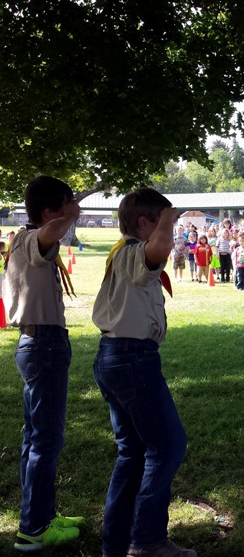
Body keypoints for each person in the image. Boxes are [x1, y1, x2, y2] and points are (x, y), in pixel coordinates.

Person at [92, 188, 194, 557]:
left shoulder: (125, 255)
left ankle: (117, 543)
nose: (170, 231)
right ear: (144, 224)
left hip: (116, 356)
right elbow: (160, 248)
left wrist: (164, 218)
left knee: (132, 453)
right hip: (132, 357)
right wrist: (169, 213)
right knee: (168, 445)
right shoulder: (136, 252)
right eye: (163, 224)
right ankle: (148, 540)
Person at [4, 176, 84, 551]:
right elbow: (53, 230)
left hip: (35, 344)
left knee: (33, 439)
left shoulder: (23, 237)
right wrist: (68, 212)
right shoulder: (36, 239)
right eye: (67, 204)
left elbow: (51, 230)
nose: (75, 211)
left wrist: (67, 208)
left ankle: (42, 516)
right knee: (46, 442)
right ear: (51, 211)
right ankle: (33, 530)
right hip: (44, 346)